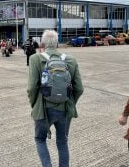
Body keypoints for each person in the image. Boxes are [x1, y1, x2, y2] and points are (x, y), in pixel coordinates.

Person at [27, 30, 84, 167]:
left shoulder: (35, 59)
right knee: (62, 142)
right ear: (58, 44)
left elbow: (31, 88)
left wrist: (35, 104)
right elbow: (79, 88)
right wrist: (70, 102)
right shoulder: (70, 60)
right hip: (64, 109)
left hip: (44, 109)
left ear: (42, 43)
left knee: (40, 139)